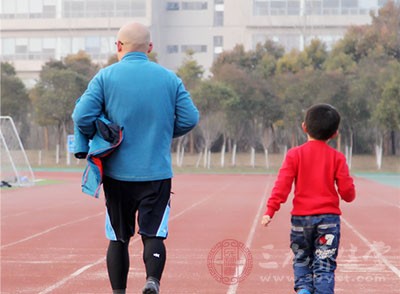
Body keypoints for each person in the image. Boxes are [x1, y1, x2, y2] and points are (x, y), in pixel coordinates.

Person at [72, 22, 199, 294]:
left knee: (118, 237)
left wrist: (96, 135)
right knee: (154, 233)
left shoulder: (105, 78)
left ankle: (119, 291)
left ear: (118, 46)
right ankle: (152, 281)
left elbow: (81, 116)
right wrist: (163, 132)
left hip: (117, 174)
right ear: (150, 48)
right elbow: (190, 118)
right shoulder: (170, 79)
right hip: (157, 173)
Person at [261, 103, 355, 294]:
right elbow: (347, 194)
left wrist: (270, 211)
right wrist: (348, 192)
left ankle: (304, 289)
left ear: (304, 127)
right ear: (335, 133)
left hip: (300, 221)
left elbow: (282, 186)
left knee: (302, 258)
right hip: (328, 221)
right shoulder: (337, 158)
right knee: (325, 264)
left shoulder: (294, 155)